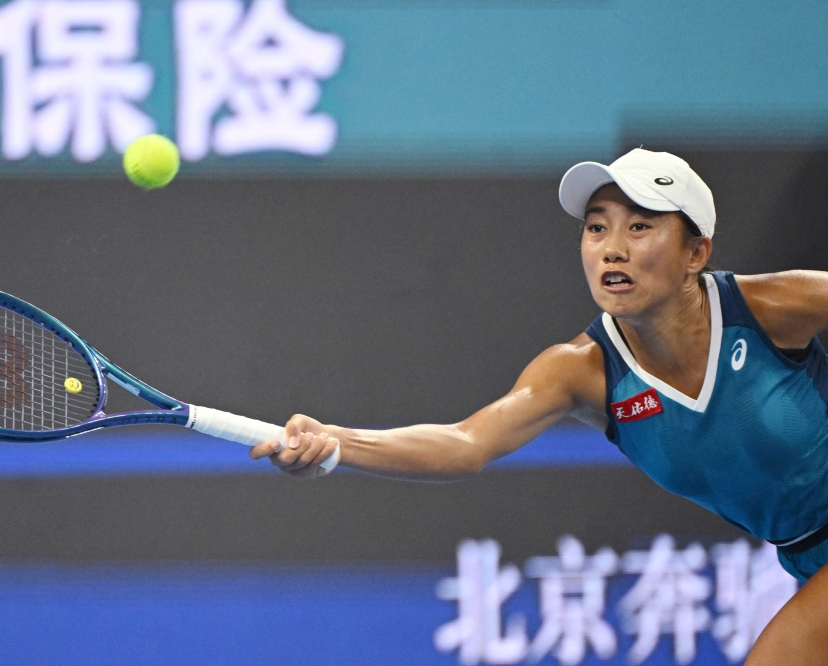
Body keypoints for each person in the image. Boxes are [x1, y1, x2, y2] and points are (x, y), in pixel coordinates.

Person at [250, 148, 828, 664]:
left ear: (695, 251)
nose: (613, 249)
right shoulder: (581, 370)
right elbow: (466, 443)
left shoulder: (771, 306)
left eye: (641, 226)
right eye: (596, 228)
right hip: (804, 559)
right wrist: (340, 442)